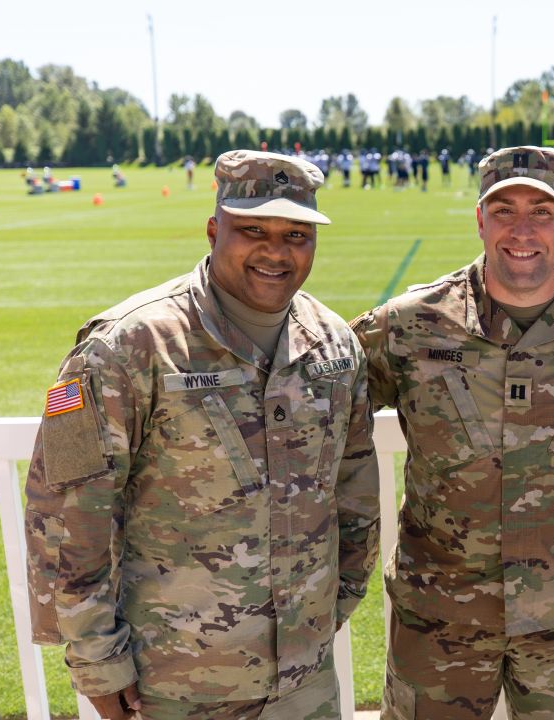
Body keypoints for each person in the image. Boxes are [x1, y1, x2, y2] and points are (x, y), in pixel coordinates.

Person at [23, 150, 380, 720]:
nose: (275, 250)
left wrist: (338, 600)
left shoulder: (335, 345)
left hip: (304, 678)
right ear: (215, 229)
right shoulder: (125, 346)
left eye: (296, 233)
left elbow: (354, 485)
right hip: (173, 680)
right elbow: (66, 510)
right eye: (252, 229)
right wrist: (96, 659)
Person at [351, 146, 554, 720]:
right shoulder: (409, 325)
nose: (522, 230)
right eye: (503, 210)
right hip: (439, 621)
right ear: (480, 220)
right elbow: (317, 402)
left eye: (543, 211)